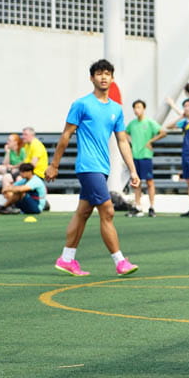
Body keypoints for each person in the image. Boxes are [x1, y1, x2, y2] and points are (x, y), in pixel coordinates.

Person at [45, 59, 140, 277]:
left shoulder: (116, 109)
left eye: (107, 73)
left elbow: (122, 141)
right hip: (88, 166)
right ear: (92, 78)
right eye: (99, 74)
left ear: (112, 78)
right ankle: (120, 261)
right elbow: (66, 135)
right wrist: (54, 165)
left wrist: (133, 170)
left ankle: (66, 259)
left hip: (102, 167)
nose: (103, 77)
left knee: (84, 212)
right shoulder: (82, 104)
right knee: (107, 211)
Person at [126, 99, 167, 217]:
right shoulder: (132, 124)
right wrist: (130, 142)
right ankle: (138, 206)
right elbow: (124, 133)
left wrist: (151, 141)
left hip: (146, 156)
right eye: (135, 108)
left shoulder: (149, 122)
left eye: (139, 107)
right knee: (136, 182)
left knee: (149, 182)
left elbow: (163, 132)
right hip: (135, 156)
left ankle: (152, 206)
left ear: (144, 109)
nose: (136, 110)